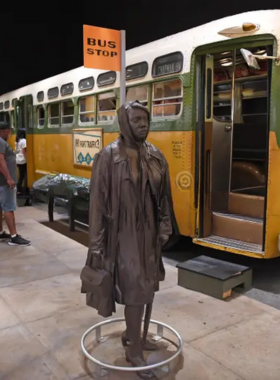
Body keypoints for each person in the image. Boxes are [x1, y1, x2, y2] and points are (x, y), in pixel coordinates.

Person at [81, 101, 176, 379]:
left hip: (150, 234)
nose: (142, 125)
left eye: (145, 120)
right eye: (136, 120)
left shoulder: (156, 155)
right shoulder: (108, 157)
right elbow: (97, 205)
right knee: (136, 290)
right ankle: (134, 349)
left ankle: (133, 334)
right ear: (124, 122)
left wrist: (165, 226)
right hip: (122, 236)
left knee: (148, 286)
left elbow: (165, 198)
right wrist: (96, 244)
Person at [0, 121, 31, 246]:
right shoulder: (1, 142)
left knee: (1, 207)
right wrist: (9, 178)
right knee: (9, 208)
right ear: (3, 131)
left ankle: (0, 232)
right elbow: (0, 160)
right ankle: (14, 236)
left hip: (1, 182)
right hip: (4, 182)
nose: (10, 133)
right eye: (9, 130)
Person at [15, 129, 28, 194]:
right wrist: (27, 159)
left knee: (21, 174)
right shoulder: (24, 141)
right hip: (22, 160)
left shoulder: (17, 141)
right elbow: (24, 151)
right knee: (22, 175)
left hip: (17, 159)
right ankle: (19, 189)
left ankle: (20, 188)